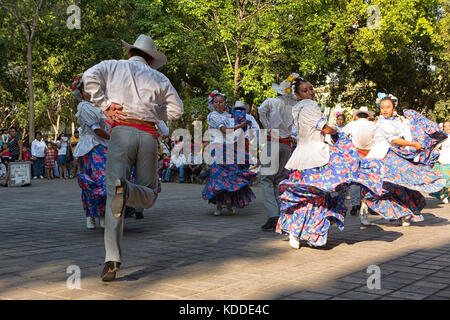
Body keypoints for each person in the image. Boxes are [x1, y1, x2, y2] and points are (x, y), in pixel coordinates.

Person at [82, 34, 183, 281]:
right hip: (148, 135)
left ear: (130, 53)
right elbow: (177, 110)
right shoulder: (159, 78)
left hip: (120, 134)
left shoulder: (112, 65)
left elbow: (87, 78)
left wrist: (105, 104)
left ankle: (112, 259)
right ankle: (126, 190)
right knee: (149, 195)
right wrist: (155, 111)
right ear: (151, 59)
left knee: (113, 195)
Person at [277, 79, 361, 249]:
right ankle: (307, 233)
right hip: (315, 156)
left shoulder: (297, 109)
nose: (310, 92)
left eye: (311, 89)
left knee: (303, 195)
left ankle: (297, 232)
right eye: (305, 90)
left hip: (301, 156)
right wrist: (336, 131)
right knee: (317, 195)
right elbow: (325, 128)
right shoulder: (310, 106)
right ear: (299, 94)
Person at [357, 93, 447, 226]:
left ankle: (405, 214)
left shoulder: (397, 121)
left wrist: (416, 143)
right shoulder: (381, 123)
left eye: (388, 107)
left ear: (393, 108)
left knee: (402, 184)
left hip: (394, 156)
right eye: (382, 107)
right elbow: (393, 139)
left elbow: (404, 137)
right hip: (379, 158)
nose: (385, 110)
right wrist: (413, 145)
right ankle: (364, 211)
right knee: (375, 187)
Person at [202, 91, 257, 216]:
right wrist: (240, 126)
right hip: (218, 149)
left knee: (232, 177)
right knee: (219, 178)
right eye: (216, 102)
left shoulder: (228, 116)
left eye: (221, 102)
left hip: (230, 149)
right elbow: (225, 131)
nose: (218, 104)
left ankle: (230, 204)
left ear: (225, 103)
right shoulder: (213, 116)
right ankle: (219, 205)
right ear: (212, 103)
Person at [258, 74, 299, 231]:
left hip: (273, 142)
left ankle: (273, 215)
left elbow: (262, 111)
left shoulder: (271, 101)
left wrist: (268, 127)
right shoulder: (292, 106)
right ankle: (282, 214)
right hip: (286, 144)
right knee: (279, 179)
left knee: (267, 179)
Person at [71, 74, 110, 230]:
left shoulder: (102, 106)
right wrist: (114, 137)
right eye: (85, 88)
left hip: (104, 146)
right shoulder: (84, 107)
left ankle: (101, 214)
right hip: (91, 147)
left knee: (106, 181)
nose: (89, 91)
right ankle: (91, 215)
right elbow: (97, 130)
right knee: (93, 182)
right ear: (81, 92)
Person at [341, 107, 376, 217]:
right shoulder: (373, 125)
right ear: (367, 116)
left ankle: (355, 204)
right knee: (369, 179)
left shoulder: (352, 124)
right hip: (370, 154)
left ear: (357, 116)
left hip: (356, 153)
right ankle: (370, 204)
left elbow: (341, 135)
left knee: (355, 180)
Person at [430, 121, 450, 204]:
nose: (447, 128)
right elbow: (436, 147)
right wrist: (437, 151)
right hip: (444, 159)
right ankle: (444, 196)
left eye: (449, 126)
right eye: (445, 127)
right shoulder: (443, 137)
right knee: (445, 179)